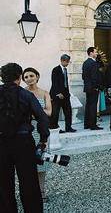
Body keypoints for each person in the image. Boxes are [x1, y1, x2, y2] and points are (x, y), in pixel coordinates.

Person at [0, 63, 49, 213]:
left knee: (3, 183)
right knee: (29, 182)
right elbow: (42, 117)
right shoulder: (26, 95)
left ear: (2, 77)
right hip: (23, 142)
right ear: (19, 77)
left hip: (1, 142)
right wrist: (43, 139)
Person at [22, 67, 52, 202]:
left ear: (37, 76)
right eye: (26, 77)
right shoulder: (23, 93)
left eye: (31, 76)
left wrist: (35, 113)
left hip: (42, 130)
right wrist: (39, 112)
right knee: (27, 163)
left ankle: (42, 190)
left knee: (41, 162)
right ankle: (30, 192)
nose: (29, 79)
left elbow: (49, 112)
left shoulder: (45, 93)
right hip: (27, 130)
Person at [49, 54, 76, 133]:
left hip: (66, 95)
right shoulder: (55, 70)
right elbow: (54, 82)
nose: (68, 63)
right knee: (56, 112)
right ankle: (55, 128)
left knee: (68, 112)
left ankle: (68, 127)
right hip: (57, 95)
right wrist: (58, 93)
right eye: (67, 62)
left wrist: (68, 93)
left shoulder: (65, 70)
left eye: (68, 62)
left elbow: (65, 83)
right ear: (62, 61)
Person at [82, 47, 103, 130]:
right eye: (95, 52)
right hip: (93, 88)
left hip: (87, 87)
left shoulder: (85, 63)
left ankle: (87, 124)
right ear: (91, 53)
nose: (96, 53)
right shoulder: (93, 63)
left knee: (88, 106)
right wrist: (96, 87)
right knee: (93, 106)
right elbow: (94, 77)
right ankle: (93, 125)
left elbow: (84, 76)